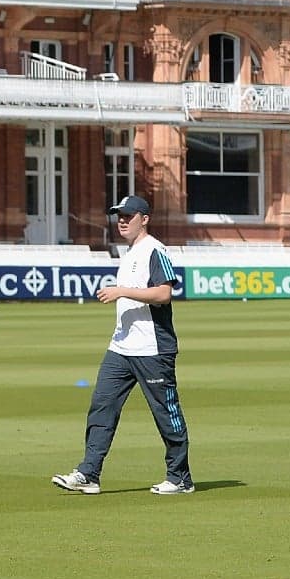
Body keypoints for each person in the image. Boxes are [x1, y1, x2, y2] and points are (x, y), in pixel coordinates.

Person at [52, 195, 193, 496]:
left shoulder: (154, 250)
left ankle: (180, 477)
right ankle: (89, 473)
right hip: (121, 347)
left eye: (129, 215)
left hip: (153, 348)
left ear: (145, 218)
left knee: (165, 413)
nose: (123, 221)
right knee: (101, 407)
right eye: (119, 216)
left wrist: (122, 292)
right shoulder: (128, 253)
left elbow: (164, 293)